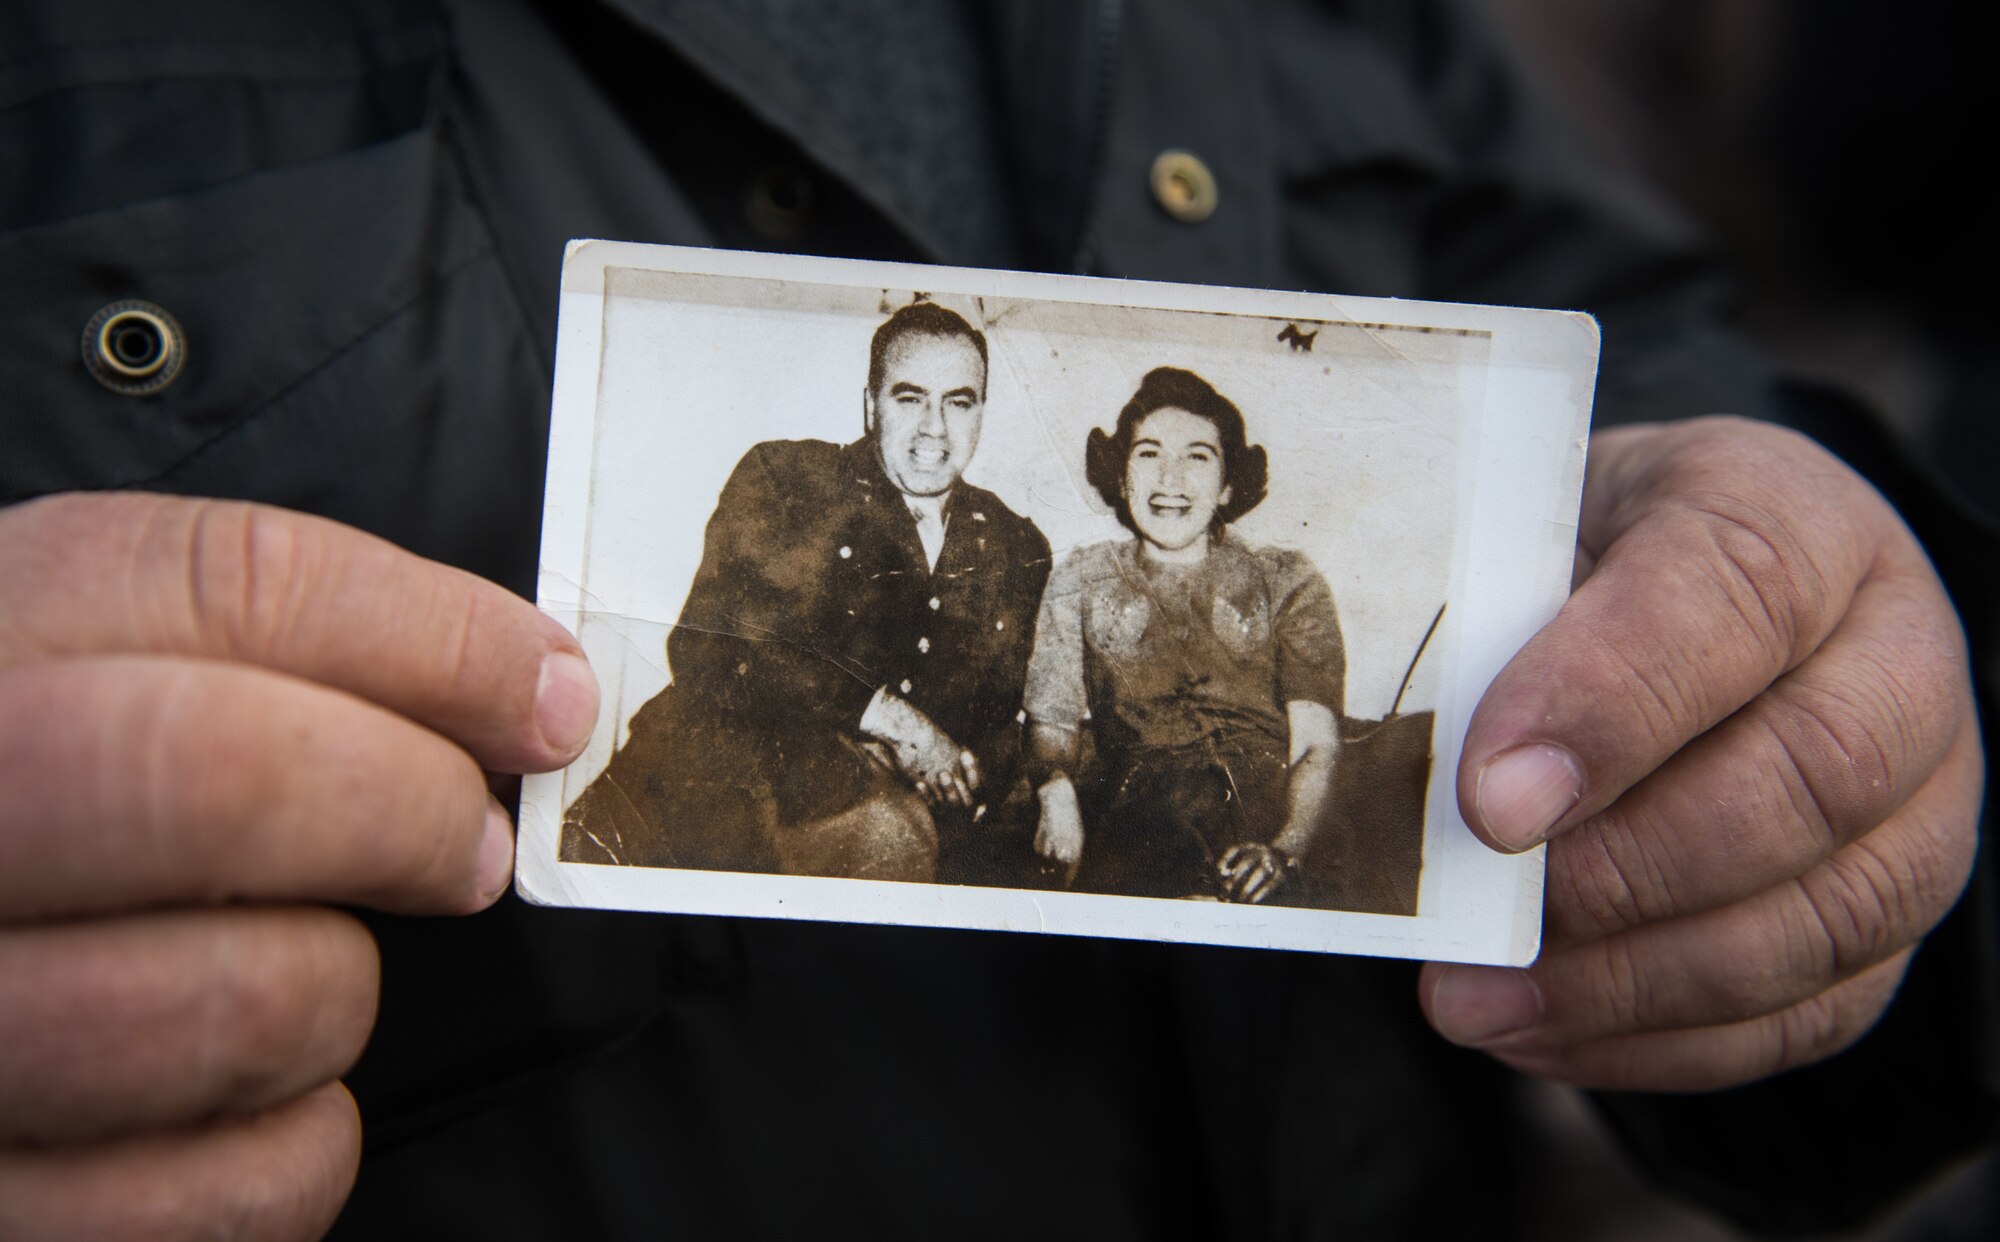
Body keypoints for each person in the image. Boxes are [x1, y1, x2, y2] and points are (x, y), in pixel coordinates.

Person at [0, 1, 1990, 1238]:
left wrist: (1840, 674)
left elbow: (1627, 355)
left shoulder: (1079, 565)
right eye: (915, 399)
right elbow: (744, 680)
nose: (943, 428)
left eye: (971, 403)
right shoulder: (804, 500)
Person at [558, 302, 1051, 884]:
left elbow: (1002, 719)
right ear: (870, 405)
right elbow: (709, 646)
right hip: (693, 808)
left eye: (958, 402)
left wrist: (973, 777)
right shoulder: (786, 477)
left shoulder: (1017, 545)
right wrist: (895, 721)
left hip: (881, 848)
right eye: (910, 397)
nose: (934, 428)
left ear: (981, 413)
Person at [1026, 367, 1344, 905]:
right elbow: (1050, 723)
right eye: (1148, 453)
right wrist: (1055, 792)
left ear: (1226, 486)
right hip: (1136, 819)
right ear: (1122, 477)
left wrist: (1284, 851)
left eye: (1197, 456)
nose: (1170, 479)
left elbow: (1316, 745)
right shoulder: (1080, 578)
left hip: (1263, 814)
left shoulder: (1287, 579)